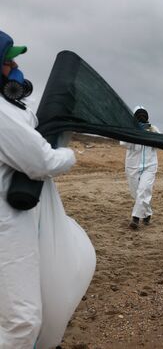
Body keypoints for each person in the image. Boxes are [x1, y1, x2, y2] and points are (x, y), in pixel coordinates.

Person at [0, 67, 76, 346]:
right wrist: (67, 154)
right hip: (6, 225)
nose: (15, 70)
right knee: (22, 319)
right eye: (9, 62)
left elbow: (26, 121)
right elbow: (41, 162)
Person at [121, 106, 160, 229]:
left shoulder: (153, 129)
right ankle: (147, 213)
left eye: (144, 116)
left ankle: (135, 219)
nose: (142, 119)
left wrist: (152, 134)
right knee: (137, 194)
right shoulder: (129, 129)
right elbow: (123, 143)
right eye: (139, 117)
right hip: (133, 166)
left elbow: (160, 144)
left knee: (143, 190)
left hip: (150, 165)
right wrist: (135, 132)